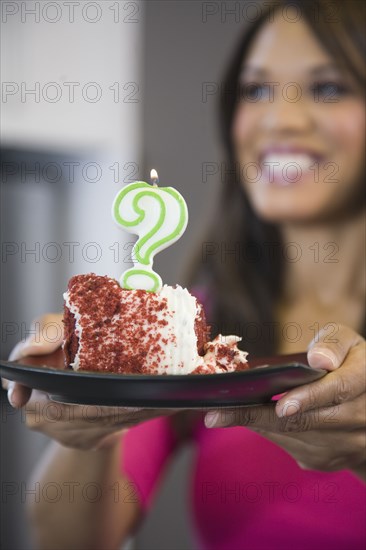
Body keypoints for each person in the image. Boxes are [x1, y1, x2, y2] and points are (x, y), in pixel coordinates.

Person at [3, 1, 365, 549]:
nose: (281, 120)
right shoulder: (201, 330)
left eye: (329, 88)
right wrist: (86, 434)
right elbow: (67, 541)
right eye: (256, 90)